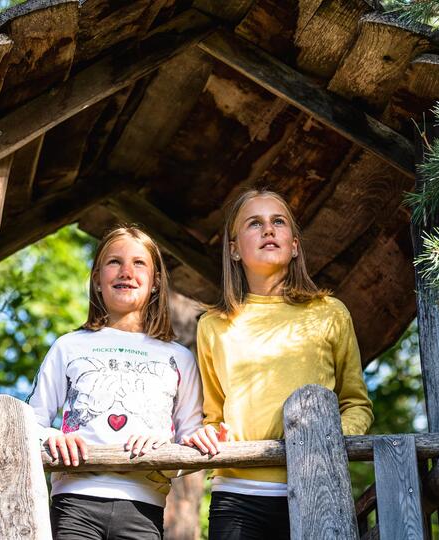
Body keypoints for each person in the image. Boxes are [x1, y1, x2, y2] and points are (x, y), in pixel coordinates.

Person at [183, 189, 374, 540]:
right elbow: (213, 415)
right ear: (234, 249)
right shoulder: (213, 325)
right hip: (238, 496)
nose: (268, 230)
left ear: (295, 244)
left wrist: (324, 440)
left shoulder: (330, 312)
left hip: (319, 488)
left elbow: (356, 404)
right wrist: (209, 431)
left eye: (278, 222)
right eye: (255, 223)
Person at [27, 226, 203, 540]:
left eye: (139, 264)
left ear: (155, 282)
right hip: (73, 502)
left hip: (144, 507)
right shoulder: (68, 346)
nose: (126, 272)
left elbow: (191, 439)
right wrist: (51, 436)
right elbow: (31, 422)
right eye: (114, 262)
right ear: (96, 279)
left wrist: (166, 450)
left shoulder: (179, 358)